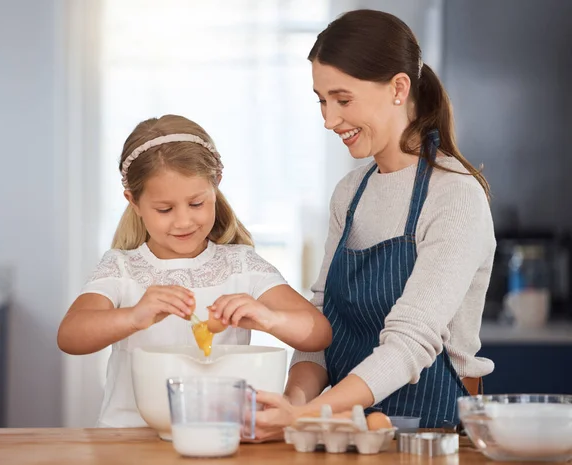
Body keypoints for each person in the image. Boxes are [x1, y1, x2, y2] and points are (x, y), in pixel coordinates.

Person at [253, 9, 496, 439]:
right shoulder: (350, 193)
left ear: (398, 88)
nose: (329, 119)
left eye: (343, 100)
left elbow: (410, 343)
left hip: (432, 436)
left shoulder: (455, 196)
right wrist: (294, 404)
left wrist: (310, 413)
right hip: (347, 431)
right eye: (321, 100)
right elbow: (323, 319)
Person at [57, 114, 332, 428]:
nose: (184, 221)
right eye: (165, 209)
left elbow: (318, 333)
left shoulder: (241, 264)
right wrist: (133, 317)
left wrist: (268, 318)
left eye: (196, 204)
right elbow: (70, 336)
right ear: (133, 202)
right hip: (129, 438)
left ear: (215, 186)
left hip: (224, 434)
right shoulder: (121, 267)